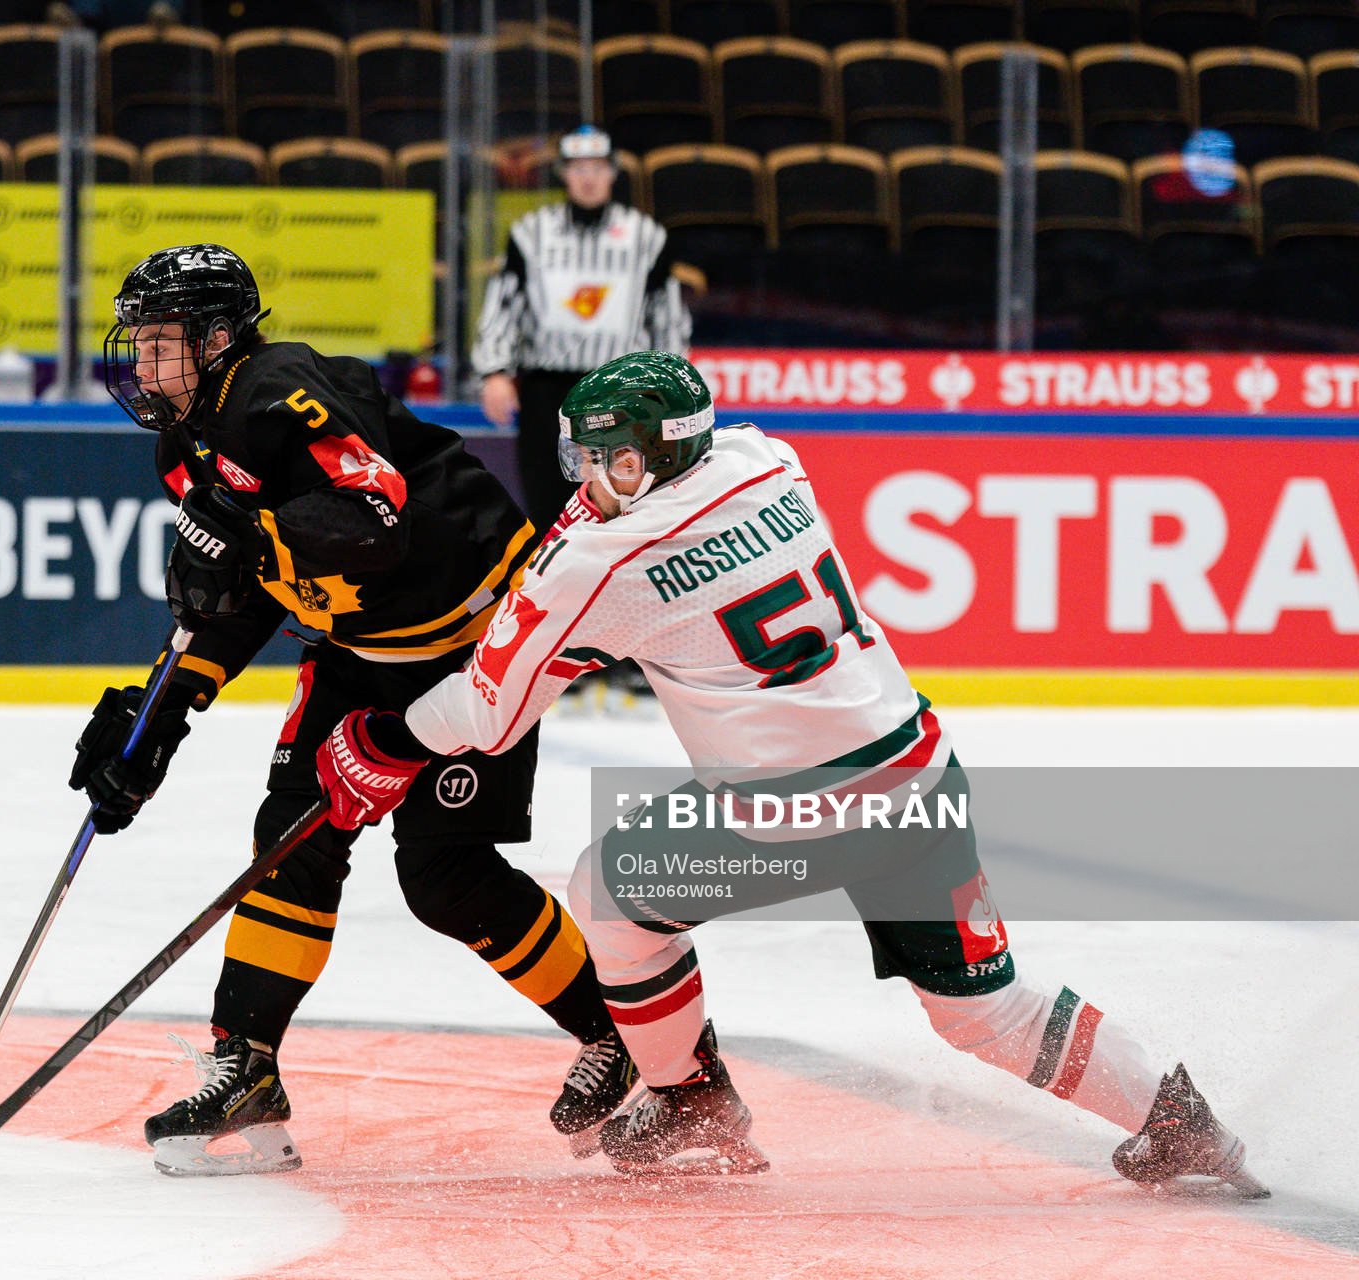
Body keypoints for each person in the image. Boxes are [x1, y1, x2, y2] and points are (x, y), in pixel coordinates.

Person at [313, 350, 1268, 1197]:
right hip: (916, 768)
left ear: (661, 454)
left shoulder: (601, 561)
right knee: (985, 1011)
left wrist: (388, 737)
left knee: (608, 893)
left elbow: (490, 708)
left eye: (614, 460)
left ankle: (691, 1103)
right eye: (585, 460)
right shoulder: (767, 458)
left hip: (793, 809)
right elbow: (668, 523)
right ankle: (1182, 1122)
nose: (593, 480)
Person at [70, 243, 638, 1177]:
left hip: (477, 645)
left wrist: (252, 529)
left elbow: (378, 514)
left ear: (215, 340)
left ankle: (624, 1039)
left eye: (160, 342)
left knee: (446, 874)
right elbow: (238, 595)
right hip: (358, 652)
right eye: (137, 342)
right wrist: (159, 723)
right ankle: (246, 1069)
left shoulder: (279, 391)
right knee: (289, 834)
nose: (139, 363)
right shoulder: (184, 446)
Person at [473, 124, 691, 536]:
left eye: (597, 167)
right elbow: (503, 303)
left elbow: (668, 317)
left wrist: (671, 382)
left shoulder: (646, 237)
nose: (588, 177)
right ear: (563, 173)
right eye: (578, 167)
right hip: (546, 390)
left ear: (612, 172)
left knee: (628, 499)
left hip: (624, 390)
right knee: (546, 501)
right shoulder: (531, 233)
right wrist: (495, 371)